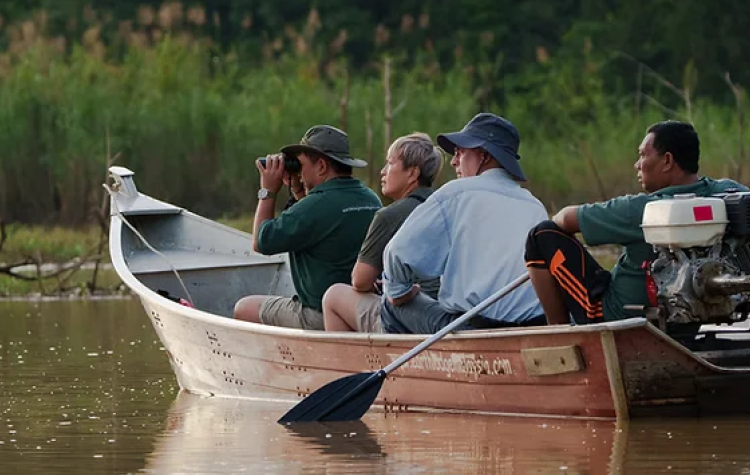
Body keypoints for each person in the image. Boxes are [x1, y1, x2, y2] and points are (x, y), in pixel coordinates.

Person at [523, 120, 750, 327]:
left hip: (620, 317)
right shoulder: (730, 193)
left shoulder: (641, 209)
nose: (637, 164)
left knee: (540, 236)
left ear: (666, 161)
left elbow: (564, 219)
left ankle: (558, 333)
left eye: (642, 155)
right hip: (688, 324)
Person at [379, 113, 549, 334]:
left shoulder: (456, 193)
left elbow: (396, 253)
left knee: (390, 305)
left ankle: (413, 369)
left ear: (484, 156)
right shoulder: (535, 205)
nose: (453, 161)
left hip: (473, 327)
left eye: (460, 152)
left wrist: (400, 293)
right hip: (533, 327)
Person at [233, 125, 381, 330]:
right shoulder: (370, 198)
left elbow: (261, 241)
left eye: (300, 166)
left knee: (244, 308)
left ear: (321, 166)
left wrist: (267, 191)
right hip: (360, 309)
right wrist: (299, 193)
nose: (299, 174)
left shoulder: (314, 207)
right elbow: (321, 219)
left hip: (320, 315)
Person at [321, 133, 445, 332]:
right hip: (445, 316)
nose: (382, 171)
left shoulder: (389, 216)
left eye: (390, 163)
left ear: (412, 174)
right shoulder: (445, 208)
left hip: (410, 319)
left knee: (334, 296)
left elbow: (360, 281)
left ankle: (351, 362)